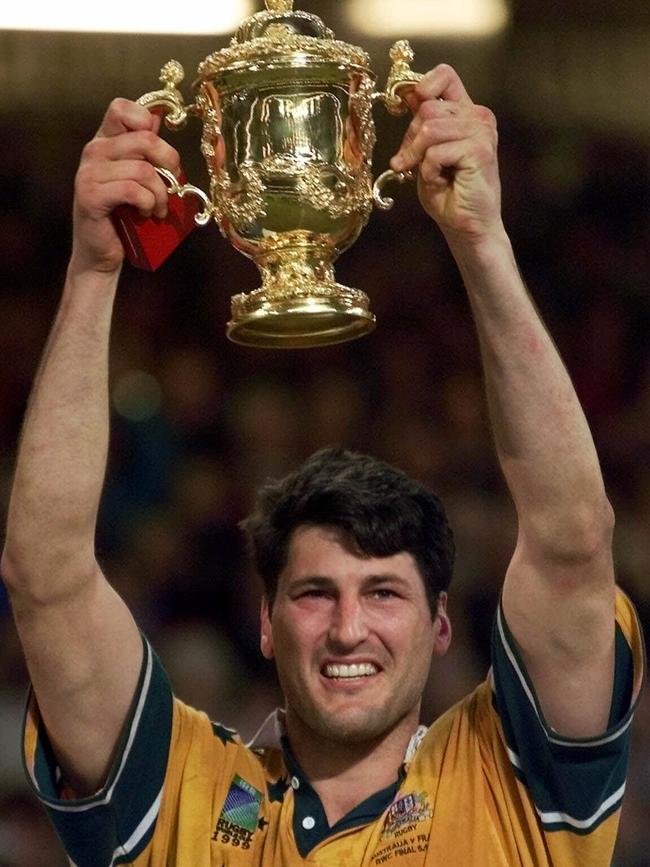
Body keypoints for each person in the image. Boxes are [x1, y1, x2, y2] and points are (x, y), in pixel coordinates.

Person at [1, 64, 644, 867]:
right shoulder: (177, 792)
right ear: (266, 622)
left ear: (442, 623)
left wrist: (482, 243)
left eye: (383, 592)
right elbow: (45, 574)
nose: (348, 627)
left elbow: (572, 538)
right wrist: (93, 272)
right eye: (313, 593)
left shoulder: (518, 782)